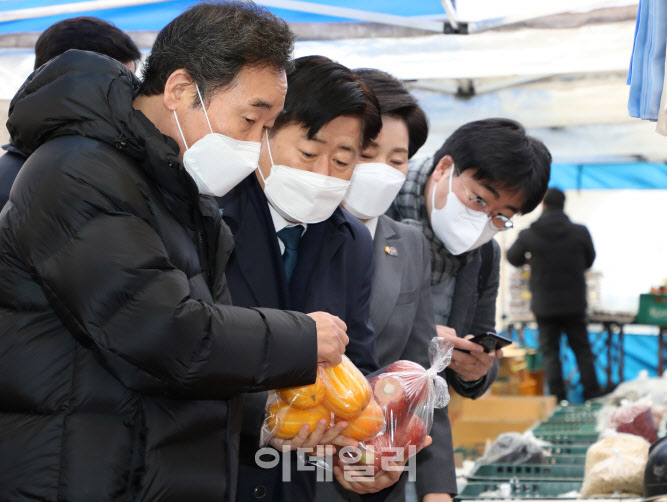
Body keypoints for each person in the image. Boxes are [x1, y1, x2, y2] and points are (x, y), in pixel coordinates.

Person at [0, 3, 350, 501]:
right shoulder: (78, 172)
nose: (255, 145)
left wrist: (275, 421)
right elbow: (162, 333)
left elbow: (195, 368)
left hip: (146, 470)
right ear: (181, 90)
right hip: (80, 476)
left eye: (267, 128)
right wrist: (301, 338)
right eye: (250, 119)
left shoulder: (179, 191)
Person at [219, 55, 408, 502]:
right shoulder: (210, 217)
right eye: (308, 152)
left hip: (295, 486)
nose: (322, 175)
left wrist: (364, 452)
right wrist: (263, 420)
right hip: (210, 477)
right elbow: (181, 348)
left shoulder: (351, 241)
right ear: (263, 131)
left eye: (342, 161)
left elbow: (354, 363)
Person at [317, 68, 456, 502]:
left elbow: (422, 374)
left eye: (397, 160)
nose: (381, 170)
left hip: (378, 478)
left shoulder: (407, 242)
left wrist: (437, 491)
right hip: (290, 466)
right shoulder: (294, 232)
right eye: (367, 152)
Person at [388, 118, 552, 399]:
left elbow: (482, 336)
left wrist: (474, 370)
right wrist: (422, 338)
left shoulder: (485, 255)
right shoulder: (376, 215)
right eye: (478, 200)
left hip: (421, 424)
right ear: (444, 168)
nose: (483, 222)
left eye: (501, 216)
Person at [0, 16, 142, 210]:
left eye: (132, 86)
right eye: (117, 88)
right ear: (67, 83)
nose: (129, 101)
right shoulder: (18, 189)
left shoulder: (94, 168)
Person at [507, 188, 601, 401]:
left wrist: (530, 260)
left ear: (543, 205)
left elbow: (512, 257)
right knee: (582, 350)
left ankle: (558, 399)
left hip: (545, 305)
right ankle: (592, 395)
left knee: (550, 353)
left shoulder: (530, 234)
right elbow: (589, 260)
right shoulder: (580, 232)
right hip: (575, 303)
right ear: (563, 204)